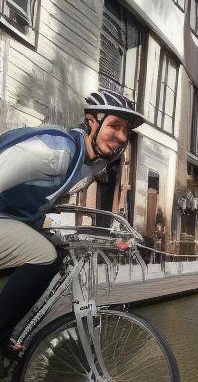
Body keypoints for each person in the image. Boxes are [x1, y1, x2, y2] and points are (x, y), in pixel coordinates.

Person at [0, 89, 146, 357]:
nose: (122, 137)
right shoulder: (54, 152)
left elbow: (39, 199)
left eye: (126, 130)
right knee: (42, 254)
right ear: (92, 121)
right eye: (114, 126)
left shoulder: (90, 164)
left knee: (53, 256)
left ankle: (6, 331)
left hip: (8, 217)